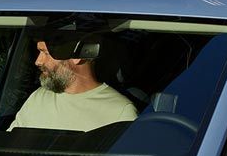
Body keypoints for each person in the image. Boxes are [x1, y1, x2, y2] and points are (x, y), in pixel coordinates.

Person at [8, 33, 138, 133]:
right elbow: (9, 148)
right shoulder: (38, 98)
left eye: (46, 53)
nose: (38, 61)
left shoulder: (120, 113)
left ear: (77, 57)